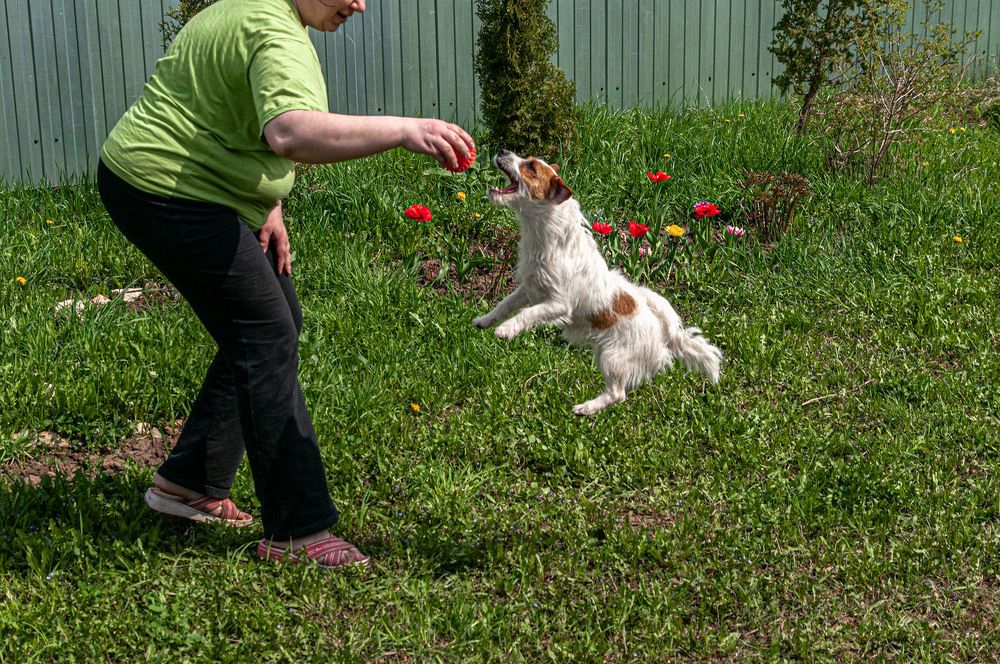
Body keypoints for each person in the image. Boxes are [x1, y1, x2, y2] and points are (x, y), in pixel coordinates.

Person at [97, 0, 475, 569]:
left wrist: (267, 202)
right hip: (168, 191)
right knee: (266, 334)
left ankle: (190, 481)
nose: (359, 3)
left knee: (276, 320)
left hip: (173, 186)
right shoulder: (274, 29)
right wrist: (405, 129)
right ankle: (298, 531)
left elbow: (221, 107)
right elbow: (290, 132)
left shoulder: (251, 8)